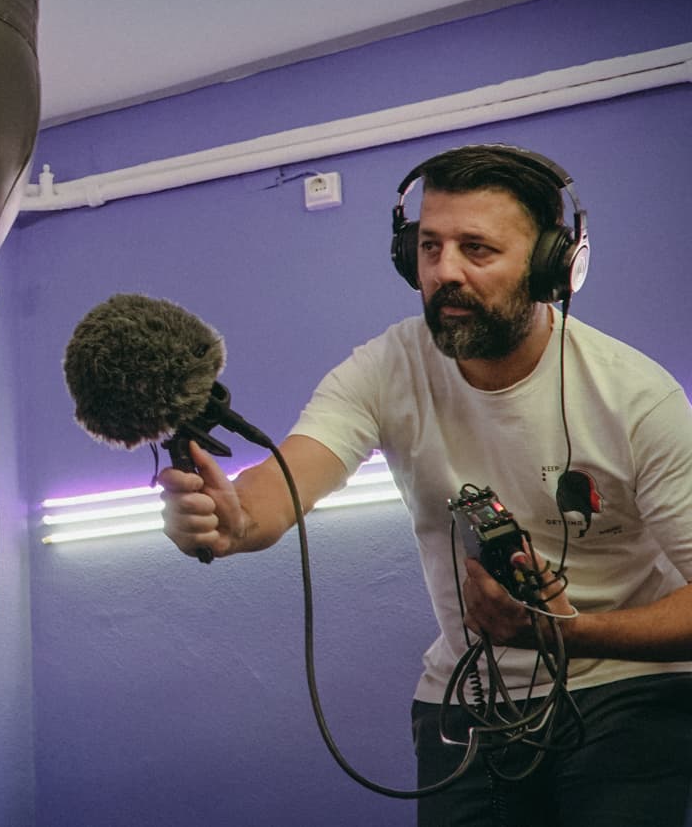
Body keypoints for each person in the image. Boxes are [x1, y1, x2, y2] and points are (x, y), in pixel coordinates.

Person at [158, 143, 692, 825]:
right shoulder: (386, 368)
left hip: (627, 693)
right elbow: (285, 480)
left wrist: (567, 632)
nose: (445, 273)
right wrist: (231, 519)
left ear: (556, 266)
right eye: (430, 247)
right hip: (468, 701)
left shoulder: (637, 398)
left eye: (477, 249)